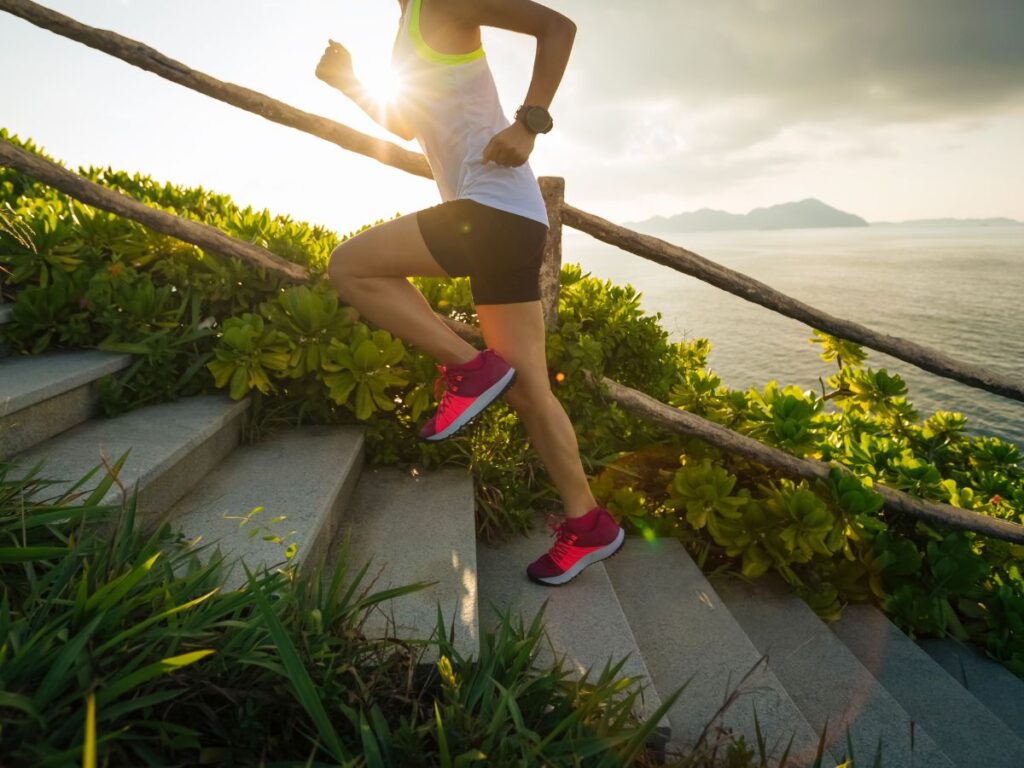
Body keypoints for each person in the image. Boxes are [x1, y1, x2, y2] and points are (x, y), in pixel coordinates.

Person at [316, 0, 623, 586]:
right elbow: (407, 124)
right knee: (529, 390)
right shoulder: (409, 23)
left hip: (491, 210)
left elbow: (557, 27)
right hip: (510, 218)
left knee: (350, 266)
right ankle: (589, 524)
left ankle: (468, 368)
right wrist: (350, 82)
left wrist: (529, 124)